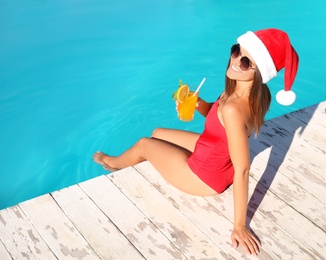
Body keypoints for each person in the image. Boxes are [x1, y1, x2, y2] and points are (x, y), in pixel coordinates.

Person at [93, 28, 299, 256]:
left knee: (145, 144)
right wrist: (197, 103)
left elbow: (243, 168)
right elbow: (219, 118)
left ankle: (113, 163)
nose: (234, 61)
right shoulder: (249, 93)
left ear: (259, 71)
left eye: (245, 62)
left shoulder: (233, 108)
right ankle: (137, 157)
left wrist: (239, 225)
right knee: (157, 132)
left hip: (203, 176)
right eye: (235, 51)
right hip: (216, 154)